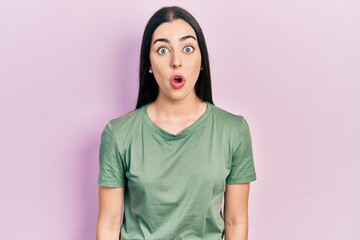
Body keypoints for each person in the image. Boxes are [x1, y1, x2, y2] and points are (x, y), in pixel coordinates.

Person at [96, 6, 256, 240]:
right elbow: (109, 225)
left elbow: (235, 221)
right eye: (162, 50)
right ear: (149, 63)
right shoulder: (118, 134)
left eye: (188, 48)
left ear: (202, 60)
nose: (176, 61)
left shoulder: (233, 131)